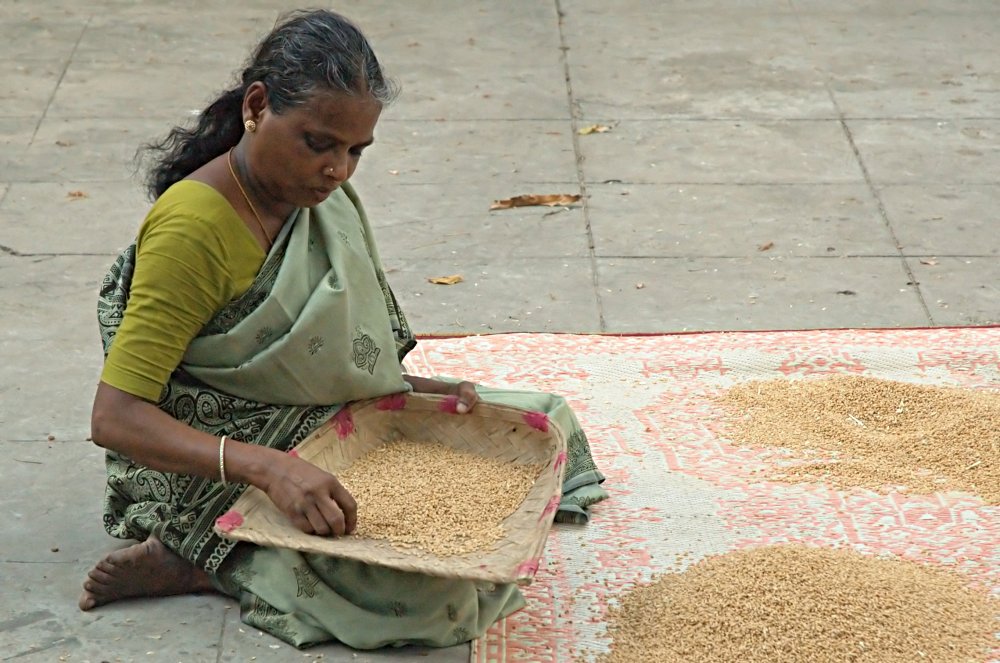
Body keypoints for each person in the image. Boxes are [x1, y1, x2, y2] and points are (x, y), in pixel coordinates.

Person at [79, 9, 608, 650]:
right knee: (430, 601)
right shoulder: (196, 228)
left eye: (355, 150)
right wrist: (269, 470)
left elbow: (316, 350)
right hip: (215, 456)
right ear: (256, 106)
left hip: (324, 420)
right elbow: (116, 418)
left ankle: (233, 548)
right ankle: (203, 554)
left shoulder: (312, 200)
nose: (339, 170)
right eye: (319, 143)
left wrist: (405, 384)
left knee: (548, 420)